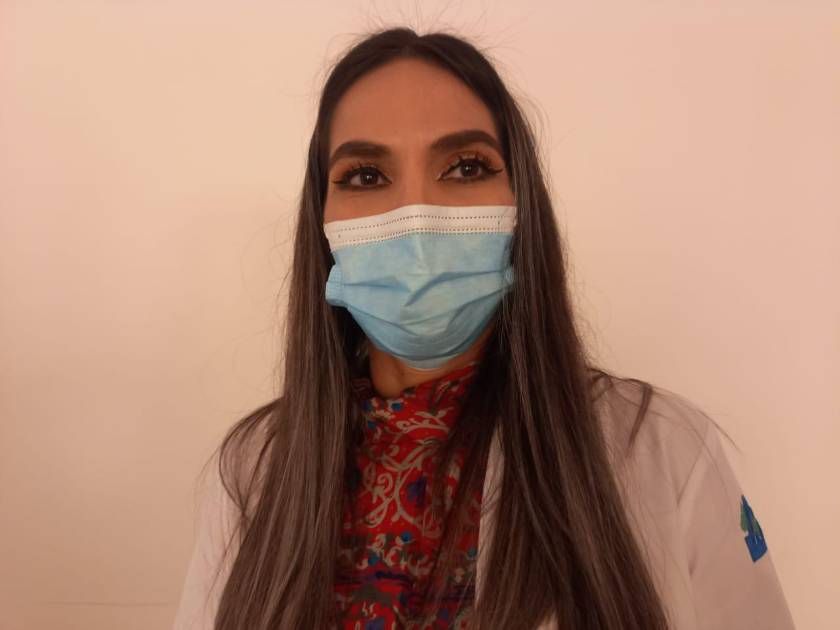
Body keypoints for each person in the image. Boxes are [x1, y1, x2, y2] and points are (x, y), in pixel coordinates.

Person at [172, 27, 796, 630]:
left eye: (466, 167)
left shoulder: (660, 449)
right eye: (366, 176)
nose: (416, 217)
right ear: (322, 219)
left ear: (521, 203)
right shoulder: (255, 468)